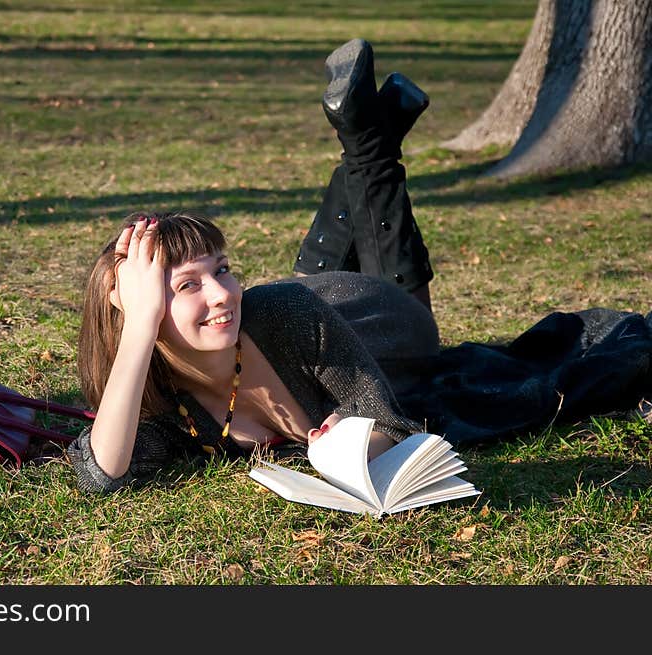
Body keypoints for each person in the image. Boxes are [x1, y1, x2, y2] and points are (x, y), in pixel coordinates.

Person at [68, 39, 652, 495]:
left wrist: (356, 443)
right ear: (140, 308)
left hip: (375, 323)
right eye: (189, 284)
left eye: (222, 269)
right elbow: (101, 475)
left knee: (376, 311)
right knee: (302, 281)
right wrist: (141, 323)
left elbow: (389, 423)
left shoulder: (287, 315)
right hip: (309, 297)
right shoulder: (157, 394)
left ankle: (370, 148)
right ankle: (369, 140)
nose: (222, 293)